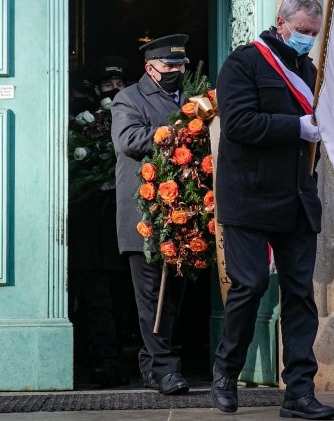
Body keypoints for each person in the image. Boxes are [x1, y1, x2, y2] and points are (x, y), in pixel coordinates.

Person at [210, 0, 334, 420]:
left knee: (301, 296)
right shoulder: (244, 63)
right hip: (249, 197)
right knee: (250, 286)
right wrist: (297, 126)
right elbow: (240, 123)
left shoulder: (309, 71)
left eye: (314, 34)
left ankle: (299, 393)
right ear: (280, 22)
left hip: (297, 199)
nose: (307, 40)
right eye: (302, 31)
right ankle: (227, 371)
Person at [111, 34, 191, 396]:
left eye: (181, 65)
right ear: (150, 68)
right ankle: (166, 368)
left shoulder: (193, 98)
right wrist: (178, 132)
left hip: (184, 214)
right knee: (150, 296)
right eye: (169, 66)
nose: (177, 71)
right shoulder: (128, 98)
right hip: (145, 214)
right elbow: (128, 140)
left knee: (172, 296)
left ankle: (151, 363)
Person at [67, 55, 130, 388]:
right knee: (95, 296)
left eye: (120, 85)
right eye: (108, 86)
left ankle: (117, 357)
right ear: (95, 90)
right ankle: (101, 360)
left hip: (119, 224)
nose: (115, 91)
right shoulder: (82, 124)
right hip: (91, 222)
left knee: (122, 297)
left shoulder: (130, 117)